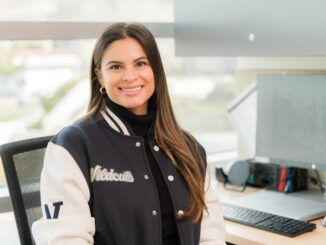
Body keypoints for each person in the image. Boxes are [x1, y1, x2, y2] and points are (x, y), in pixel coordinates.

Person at [32, 22, 225, 245]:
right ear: (100, 76)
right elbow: (64, 239)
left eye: (140, 63)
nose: (130, 76)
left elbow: (211, 233)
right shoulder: (72, 147)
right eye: (116, 67)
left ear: (155, 71)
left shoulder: (188, 147)